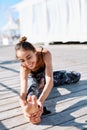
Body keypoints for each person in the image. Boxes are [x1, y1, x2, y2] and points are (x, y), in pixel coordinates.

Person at [15, 36, 81, 124]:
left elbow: (50, 79)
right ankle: (33, 109)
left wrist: (41, 100)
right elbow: (23, 92)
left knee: (75, 76)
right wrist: (25, 109)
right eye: (22, 60)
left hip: (46, 75)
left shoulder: (45, 54)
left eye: (29, 57)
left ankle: (41, 83)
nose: (27, 63)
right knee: (32, 90)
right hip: (33, 78)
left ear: (34, 51)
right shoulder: (24, 67)